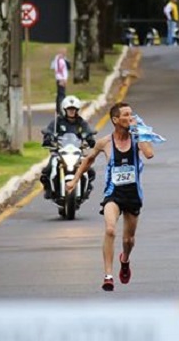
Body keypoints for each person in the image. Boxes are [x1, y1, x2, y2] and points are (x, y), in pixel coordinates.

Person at [66, 102, 155, 291]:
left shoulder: (136, 138)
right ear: (115, 120)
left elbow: (149, 154)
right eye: (126, 115)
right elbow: (88, 159)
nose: (130, 117)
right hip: (113, 194)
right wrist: (74, 181)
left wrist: (138, 131)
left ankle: (125, 259)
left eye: (132, 114)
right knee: (110, 229)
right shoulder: (105, 143)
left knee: (128, 240)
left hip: (132, 195)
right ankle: (108, 275)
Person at [40, 96, 96, 199]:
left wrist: (90, 138)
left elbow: (87, 131)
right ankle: (49, 190)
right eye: (69, 109)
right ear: (65, 110)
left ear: (77, 110)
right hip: (60, 151)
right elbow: (49, 130)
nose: (71, 111)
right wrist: (48, 137)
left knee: (90, 171)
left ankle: (87, 188)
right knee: (47, 170)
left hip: (76, 151)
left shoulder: (81, 122)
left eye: (73, 109)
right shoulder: (58, 121)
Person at [50, 48, 69, 114]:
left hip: (59, 79)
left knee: (59, 94)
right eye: (64, 52)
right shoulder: (60, 60)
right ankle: (61, 109)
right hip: (61, 79)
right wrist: (63, 79)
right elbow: (61, 71)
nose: (65, 53)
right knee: (62, 95)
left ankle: (58, 109)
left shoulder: (58, 59)